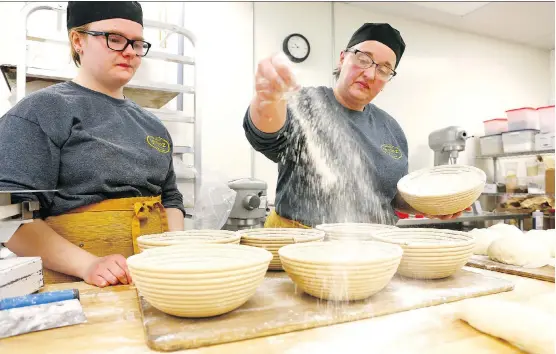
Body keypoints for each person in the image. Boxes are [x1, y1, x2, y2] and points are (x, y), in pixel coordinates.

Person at [0, 2, 185, 287]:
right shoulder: (41, 111)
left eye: (137, 43)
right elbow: (8, 218)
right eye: (115, 39)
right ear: (78, 40)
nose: (129, 51)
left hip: (152, 281)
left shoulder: (153, 125)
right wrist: (88, 265)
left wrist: (173, 257)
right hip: (73, 285)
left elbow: (170, 199)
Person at [244, 23, 467, 229]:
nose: (370, 73)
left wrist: (430, 204)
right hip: (298, 242)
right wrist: (268, 99)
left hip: (372, 249)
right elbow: (266, 137)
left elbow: (392, 197)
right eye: (363, 58)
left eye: (383, 69)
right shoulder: (305, 103)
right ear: (343, 58)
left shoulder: (391, 128)